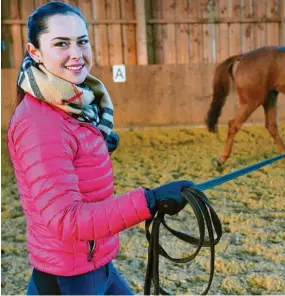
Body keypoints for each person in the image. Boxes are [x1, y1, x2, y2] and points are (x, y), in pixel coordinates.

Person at [7, 2, 194, 294]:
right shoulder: (41, 123)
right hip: (73, 274)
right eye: (61, 44)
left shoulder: (73, 107)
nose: (76, 54)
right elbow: (67, 220)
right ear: (35, 52)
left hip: (90, 262)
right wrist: (150, 201)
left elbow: (65, 153)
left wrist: (95, 145)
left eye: (82, 41)